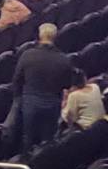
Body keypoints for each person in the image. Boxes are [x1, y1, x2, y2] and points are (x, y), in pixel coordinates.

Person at [11, 24, 75, 155]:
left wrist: (18, 98)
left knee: (27, 138)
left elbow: (17, 79)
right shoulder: (63, 59)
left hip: (30, 101)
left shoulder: (27, 55)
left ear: (40, 36)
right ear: (55, 37)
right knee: (48, 141)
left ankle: (24, 166)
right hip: (52, 103)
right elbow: (67, 84)